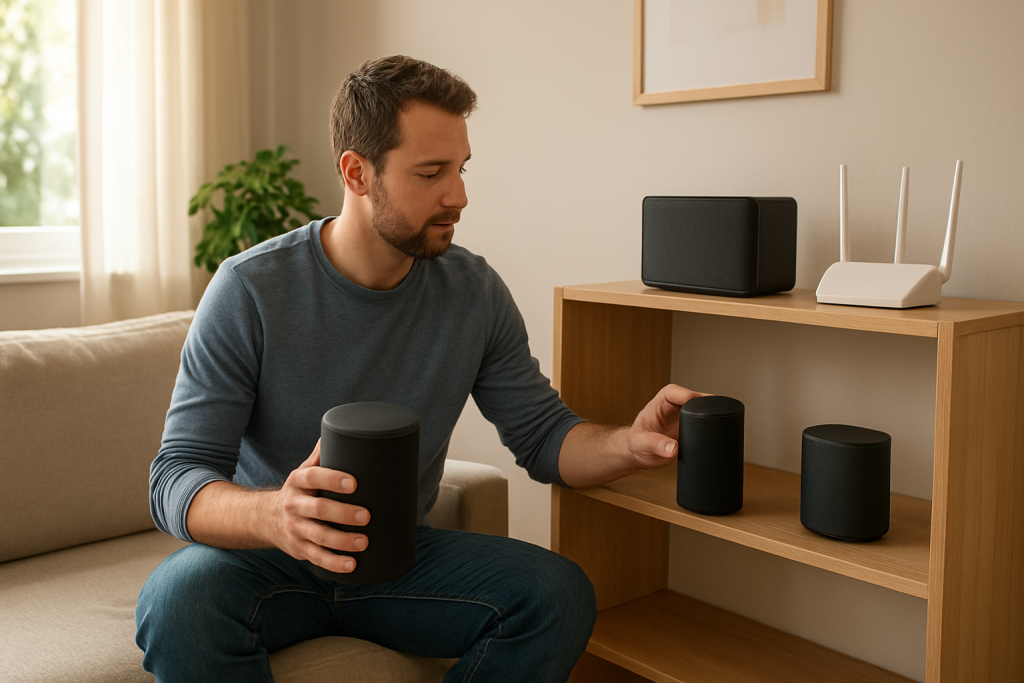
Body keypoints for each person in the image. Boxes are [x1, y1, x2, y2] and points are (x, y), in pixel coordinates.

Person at [136, 55, 704, 683]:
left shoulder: (474, 291)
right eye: (431, 172)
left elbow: (544, 440)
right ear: (357, 172)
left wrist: (631, 443)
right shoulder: (250, 289)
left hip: (401, 558)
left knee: (558, 593)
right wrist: (274, 515)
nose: (458, 196)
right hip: (270, 558)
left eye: (460, 169)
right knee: (177, 602)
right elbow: (176, 478)